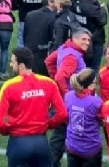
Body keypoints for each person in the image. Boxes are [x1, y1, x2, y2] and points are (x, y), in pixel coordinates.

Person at [0, 47, 68, 167]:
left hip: (18, 143)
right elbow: (62, 113)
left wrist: (8, 130)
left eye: (12, 62)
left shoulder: (9, 86)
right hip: (41, 144)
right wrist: (48, 124)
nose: (11, 65)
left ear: (21, 65)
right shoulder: (48, 83)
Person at [46, 27, 91, 167]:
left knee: (60, 134)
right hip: (69, 102)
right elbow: (60, 77)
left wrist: (55, 80)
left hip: (62, 100)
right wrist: (68, 95)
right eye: (83, 39)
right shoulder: (73, 56)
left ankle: (52, 162)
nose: (87, 42)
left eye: (88, 40)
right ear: (75, 38)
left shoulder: (63, 48)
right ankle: (52, 163)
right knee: (62, 135)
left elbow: (48, 61)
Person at [64, 68, 104, 167]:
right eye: (95, 82)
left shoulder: (68, 96)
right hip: (90, 150)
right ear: (90, 84)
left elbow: (66, 117)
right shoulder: (96, 102)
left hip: (72, 146)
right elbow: (103, 121)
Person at [24, 0, 59, 76]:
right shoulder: (54, 17)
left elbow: (25, 35)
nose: (59, 4)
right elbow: (54, 39)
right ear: (50, 2)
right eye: (57, 1)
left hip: (30, 52)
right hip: (44, 55)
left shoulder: (30, 15)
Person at [73, 0, 107, 71]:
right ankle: (91, 82)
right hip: (94, 40)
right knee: (93, 67)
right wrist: (102, 8)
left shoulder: (78, 3)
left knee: (81, 65)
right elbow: (103, 21)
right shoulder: (93, 8)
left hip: (79, 38)